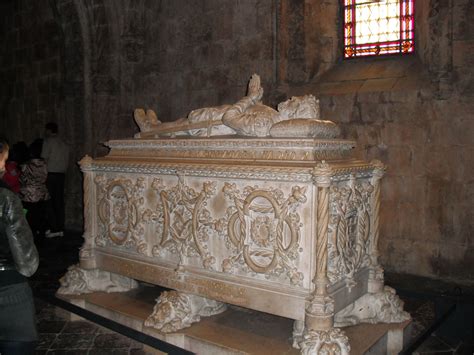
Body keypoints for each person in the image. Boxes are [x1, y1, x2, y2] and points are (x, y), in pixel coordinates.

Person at [0, 137, 40, 354]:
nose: (4, 166)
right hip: (8, 291)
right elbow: (27, 263)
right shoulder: (5, 198)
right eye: (3, 160)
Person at [41, 122, 69, 238]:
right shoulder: (64, 143)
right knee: (59, 201)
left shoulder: (48, 141)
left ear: (48, 130)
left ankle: (53, 228)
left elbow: (44, 158)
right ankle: (60, 227)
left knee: (49, 201)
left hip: (51, 174)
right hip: (61, 175)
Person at [19, 139, 50, 240]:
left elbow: (22, 179)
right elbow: (45, 177)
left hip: (29, 195)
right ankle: (41, 235)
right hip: (42, 193)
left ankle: (31, 236)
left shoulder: (26, 165)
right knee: (41, 216)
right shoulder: (44, 163)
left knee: (30, 217)